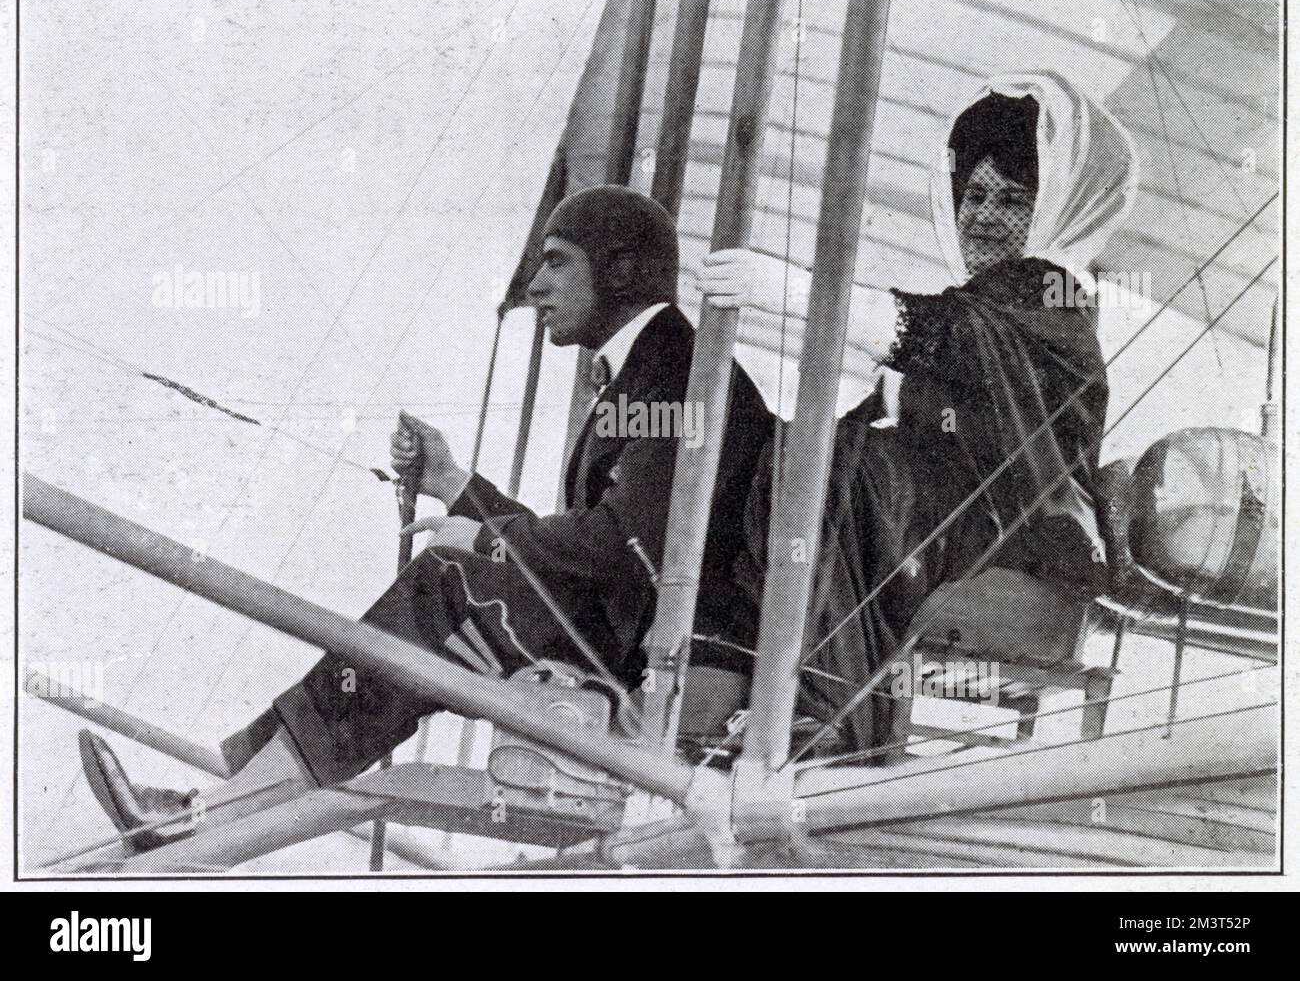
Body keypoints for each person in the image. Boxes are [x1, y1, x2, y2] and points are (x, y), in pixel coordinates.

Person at [79, 184, 772, 852]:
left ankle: (217, 808)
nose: (535, 286)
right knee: (444, 588)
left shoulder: (683, 375)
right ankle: (223, 798)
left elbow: (619, 545)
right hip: (631, 636)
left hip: (663, 662)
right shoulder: (652, 371)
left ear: (620, 271)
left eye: (557, 260)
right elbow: (602, 545)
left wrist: (484, 539)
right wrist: (455, 485)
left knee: (445, 583)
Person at [696, 71, 1140, 753]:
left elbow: (936, 332)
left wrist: (784, 288)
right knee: (800, 456)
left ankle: (826, 721)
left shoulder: (1049, 293)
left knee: (845, 471)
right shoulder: (1001, 298)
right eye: (976, 194)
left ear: (1059, 207)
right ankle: (743, 687)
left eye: (1013, 199)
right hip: (961, 521)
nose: (983, 216)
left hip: (1019, 534)